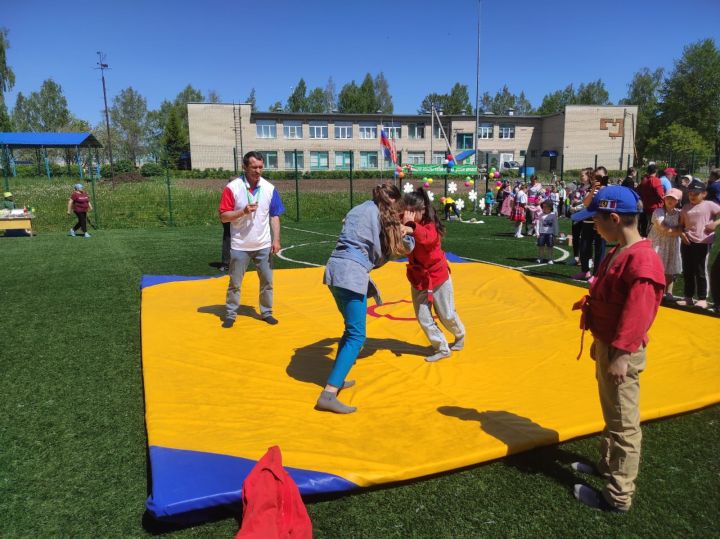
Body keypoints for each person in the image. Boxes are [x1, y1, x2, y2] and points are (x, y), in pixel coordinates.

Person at [570, 185, 665, 513]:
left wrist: (621, 355)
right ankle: (608, 466)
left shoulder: (642, 260)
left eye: (596, 220)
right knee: (611, 413)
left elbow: (638, 314)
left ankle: (618, 496)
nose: (593, 226)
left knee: (624, 423)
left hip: (621, 352)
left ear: (614, 218)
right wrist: (601, 342)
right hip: (608, 344)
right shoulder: (619, 250)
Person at [317, 183, 411, 414]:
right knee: (357, 336)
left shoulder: (358, 209)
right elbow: (399, 248)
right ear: (392, 200)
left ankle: (338, 377)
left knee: (350, 331)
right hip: (350, 274)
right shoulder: (383, 216)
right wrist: (407, 227)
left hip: (334, 270)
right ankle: (328, 394)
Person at [219, 151, 285, 327]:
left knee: (267, 282)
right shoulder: (232, 187)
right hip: (240, 245)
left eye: (261, 167)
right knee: (235, 283)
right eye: (254, 167)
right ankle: (231, 314)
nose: (258, 170)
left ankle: (266, 312)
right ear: (244, 167)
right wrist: (243, 212)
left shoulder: (269, 188)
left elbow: (275, 216)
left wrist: (276, 240)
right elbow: (224, 216)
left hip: (263, 245)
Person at [402, 188, 465, 362]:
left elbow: (427, 239)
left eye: (412, 211)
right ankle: (442, 348)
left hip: (438, 276)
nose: (408, 215)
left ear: (422, 210)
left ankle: (459, 334)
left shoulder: (430, 226)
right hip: (418, 277)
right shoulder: (404, 222)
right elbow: (388, 223)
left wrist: (411, 226)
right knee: (423, 316)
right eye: (405, 210)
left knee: (446, 314)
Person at [676, 179, 720, 309]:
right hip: (687, 242)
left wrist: (715, 224)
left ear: (704, 194)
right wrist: (682, 234)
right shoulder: (685, 207)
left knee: (700, 270)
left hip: (702, 242)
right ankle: (688, 297)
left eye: (696, 193)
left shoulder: (710, 205)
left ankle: (702, 298)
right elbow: (681, 225)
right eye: (690, 193)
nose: (692, 196)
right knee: (687, 270)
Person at [647, 188, 683, 300]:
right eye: (668, 197)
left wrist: (678, 230)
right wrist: (678, 230)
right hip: (658, 243)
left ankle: (669, 292)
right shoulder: (658, 212)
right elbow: (663, 228)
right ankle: (653, 290)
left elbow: (684, 226)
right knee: (656, 267)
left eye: (673, 198)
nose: (670, 200)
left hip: (672, 244)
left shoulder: (679, 214)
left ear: (678, 201)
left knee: (670, 268)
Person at [574, 167, 607, 280]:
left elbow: (604, 206)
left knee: (599, 248)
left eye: (600, 176)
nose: (597, 178)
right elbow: (586, 203)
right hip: (588, 221)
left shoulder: (607, 189)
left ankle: (597, 275)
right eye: (595, 176)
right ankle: (585, 271)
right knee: (584, 247)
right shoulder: (592, 189)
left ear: (605, 176)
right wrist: (593, 189)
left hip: (601, 223)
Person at [636, 164, 664, 237]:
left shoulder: (644, 180)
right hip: (655, 207)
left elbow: (638, 190)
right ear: (656, 171)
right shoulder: (655, 180)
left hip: (645, 206)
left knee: (647, 225)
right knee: (654, 225)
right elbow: (660, 194)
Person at [706, 168, 720, 312]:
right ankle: (717, 305)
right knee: (716, 271)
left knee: (716, 270)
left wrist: (715, 223)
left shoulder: (714, 186)